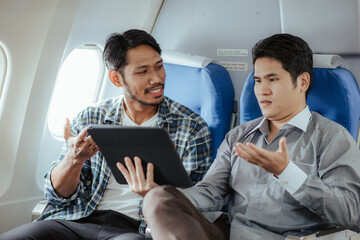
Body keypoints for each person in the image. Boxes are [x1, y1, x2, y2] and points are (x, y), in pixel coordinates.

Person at [118, 33, 360, 240]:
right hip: (230, 233)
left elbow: (349, 212)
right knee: (157, 199)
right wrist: (164, 194)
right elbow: (210, 193)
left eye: (272, 79)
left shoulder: (331, 138)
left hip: (289, 236)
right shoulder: (240, 136)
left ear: (302, 82)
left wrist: (287, 172)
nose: (262, 90)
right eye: (257, 80)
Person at [0, 29, 212, 240]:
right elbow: (58, 197)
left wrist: (157, 192)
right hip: (77, 220)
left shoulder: (191, 128)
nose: (156, 78)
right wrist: (74, 159)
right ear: (116, 79)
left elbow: (197, 207)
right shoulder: (91, 117)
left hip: (134, 229)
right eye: (143, 71)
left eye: (159, 67)